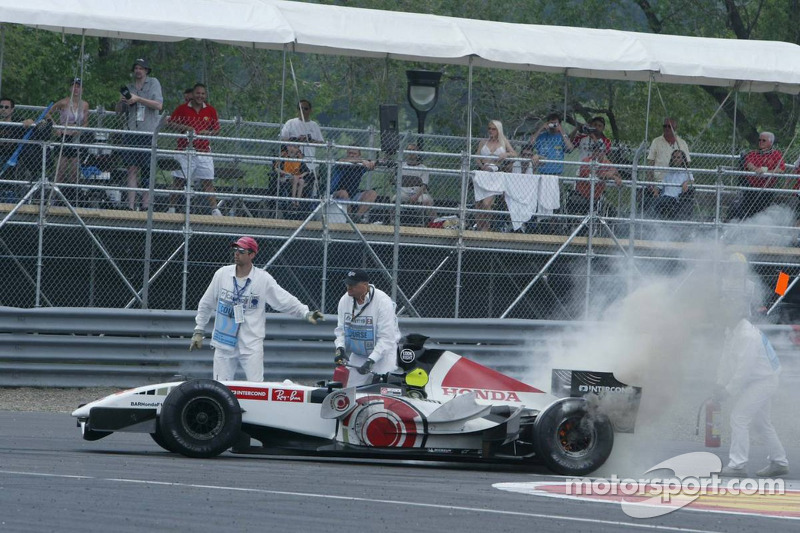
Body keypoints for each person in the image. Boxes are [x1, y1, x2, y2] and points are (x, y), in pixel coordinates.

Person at [190, 236, 324, 381]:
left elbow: (283, 298)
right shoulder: (222, 274)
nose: (236, 253)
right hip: (224, 341)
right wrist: (199, 329)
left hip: (251, 343)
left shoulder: (262, 279)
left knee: (256, 387)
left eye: (241, 250)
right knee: (221, 386)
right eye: (235, 249)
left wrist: (305, 312)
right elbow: (206, 303)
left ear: (252, 254)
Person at [715, 253, 789, 478]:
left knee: (739, 417)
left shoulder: (747, 335)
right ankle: (779, 462)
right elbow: (726, 359)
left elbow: (742, 371)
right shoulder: (732, 329)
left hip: (764, 379)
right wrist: (718, 384)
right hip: (761, 376)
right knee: (761, 422)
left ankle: (738, 465)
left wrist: (727, 391)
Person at [333, 269, 401, 387]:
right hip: (359, 354)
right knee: (350, 391)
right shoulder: (344, 300)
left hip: (383, 356)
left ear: (365, 285)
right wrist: (340, 348)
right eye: (347, 284)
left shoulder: (383, 301)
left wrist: (371, 361)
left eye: (353, 285)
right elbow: (341, 330)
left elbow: (386, 338)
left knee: (382, 390)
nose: (349, 287)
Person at [167, 83, 222, 216]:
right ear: (192, 94)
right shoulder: (182, 109)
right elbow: (170, 123)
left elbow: (217, 129)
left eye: (203, 93)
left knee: (208, 181)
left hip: (203, 151)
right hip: (184, 149)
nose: (200, 96)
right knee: (179, 180)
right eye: (198, 93)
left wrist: (208, 133)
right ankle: (171, 208)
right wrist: (185, 127)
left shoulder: (210, 110)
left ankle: (215, 210)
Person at [115, 58, 163, 211]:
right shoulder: (129, 87)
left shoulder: (154, 83)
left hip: (148, 132)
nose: (138, 71)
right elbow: (118, 112)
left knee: (148, 169)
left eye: (141, 68)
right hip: (131, 131)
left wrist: (139, 99)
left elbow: (158, 105)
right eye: (136, 68)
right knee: (131, 168)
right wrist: (123, 101)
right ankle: (130, 205)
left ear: (146, 70)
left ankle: (146, 205)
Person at [47, 78, 90, 200]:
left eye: (78, 86)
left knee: (74, 171)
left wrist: (80, 129)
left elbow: (86, 121)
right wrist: (56, 127)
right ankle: (53, 198)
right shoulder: (64, 102)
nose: (76, 89)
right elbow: (48, 113)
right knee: (60, 169)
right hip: (64, 136)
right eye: (73, 86)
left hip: (75, 138)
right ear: (70, 88)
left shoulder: (85, 104)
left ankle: (73, 198)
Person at [728, 132, 785, 221]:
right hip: (751, 187)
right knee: (747, 211)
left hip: (767, 189)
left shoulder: (776, 154)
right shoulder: (753, 153)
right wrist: (756, 169)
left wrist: (766, 172)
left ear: (770, 142)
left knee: (763, 212)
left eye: (763, 140)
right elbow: (748, 164)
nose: (760, 142)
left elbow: (781, 169)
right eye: (759, 140)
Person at [472, 120, 517, 231]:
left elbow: (515, 154)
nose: (491, 131)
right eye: (489, 129)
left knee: (487, 203)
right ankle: (480, 226)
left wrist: (506, 154)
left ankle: (486, 226)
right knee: (479, 203)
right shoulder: (483, 142)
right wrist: (482, 166)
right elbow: (477, 157)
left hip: (495, 173)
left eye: (493, 129)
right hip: (483, 173)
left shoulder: (503, 142)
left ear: (498, 130)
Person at [646, 118, 691, 213]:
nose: (666, 128)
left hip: (676, 192)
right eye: (664, 126)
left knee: (660, 203)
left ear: (675, 128)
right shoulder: (656, 142)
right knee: (648, 201)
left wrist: (686, 182)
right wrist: (651, 183)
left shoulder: (682, 143)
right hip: (659, 181)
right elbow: (650, 163)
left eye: (669, 126)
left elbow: (689, 171)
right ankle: (647, 221)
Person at [566, 140, 622, 215]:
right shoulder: (586, 161)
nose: (597, 153)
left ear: (604, 152)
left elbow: (616, 173)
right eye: (595, 150)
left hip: (597, 198)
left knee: (612, 211)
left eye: (600, 151)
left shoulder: (606, 163)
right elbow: (598, 176)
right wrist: (611, 175)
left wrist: (614, 176)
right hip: (582, 196)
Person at [0, 97, 51, 179]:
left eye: (6, 107)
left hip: (14, 155)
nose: (3, 109)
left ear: (12, 109)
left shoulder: (17, 121)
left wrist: (30, 121)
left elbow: (30, 122)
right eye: (1, 107)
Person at [280, 99, 324, 181]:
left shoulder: (314, 125)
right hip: (291, 162)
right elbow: (282, 138)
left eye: (305, 108)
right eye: (300, 108)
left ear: (310, 110)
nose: (303, 111)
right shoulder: (290, 123)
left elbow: (321, 142)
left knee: (306, 181)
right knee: (291, 180)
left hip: (309, 161)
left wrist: (309, 140)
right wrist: (296, 139)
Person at [331, 147, 378, 223]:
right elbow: (341, 161)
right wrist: (361, 160)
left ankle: (357, 217)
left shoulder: (361, 165)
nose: (352, 155)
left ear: (359, 155)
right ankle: (349, 218)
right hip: (336, 193)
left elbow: (373, 165)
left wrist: (373, 163)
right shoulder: (342, 162)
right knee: (344, 193)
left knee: (372, 193)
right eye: (350, 153)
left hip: (354, 194)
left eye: (354, 153)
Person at [394, 143, 435, 225]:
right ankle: (393, 221)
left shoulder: (423, 168)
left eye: (413, 150)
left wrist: (416, 196)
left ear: (418, 152)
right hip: (404, 192)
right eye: (409, 150)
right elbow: (394, 181)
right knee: (395, 198)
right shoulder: (401, 166)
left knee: (427, 200)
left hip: (419, 193)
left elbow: (424, 185)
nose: (411, 152)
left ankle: (434, 223)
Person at [651, 149, 694, 220]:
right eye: (674, 157)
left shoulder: (686, 171)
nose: (675, 159)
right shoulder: (669, 171)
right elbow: (661, 184)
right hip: (664, 196)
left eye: (678, 157)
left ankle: (654, 220)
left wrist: (687, 182)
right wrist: (657, 190)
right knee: (649, 200)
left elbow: (692, 181)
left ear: (683, 159)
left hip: (676, 198)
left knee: (657, 203)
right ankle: (652, 222)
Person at [273, 144, 311, 213]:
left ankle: (298, 202)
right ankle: (293, 201)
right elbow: (276, 168)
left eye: (295, 148)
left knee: (301, 181)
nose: (293, 149)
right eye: (291, 147)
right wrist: (285, 173)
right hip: (286, 176)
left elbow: (307, 171)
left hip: (295, 177)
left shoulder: (298, 158)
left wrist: (301, 175)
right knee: (296, 178)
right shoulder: (284, 156)